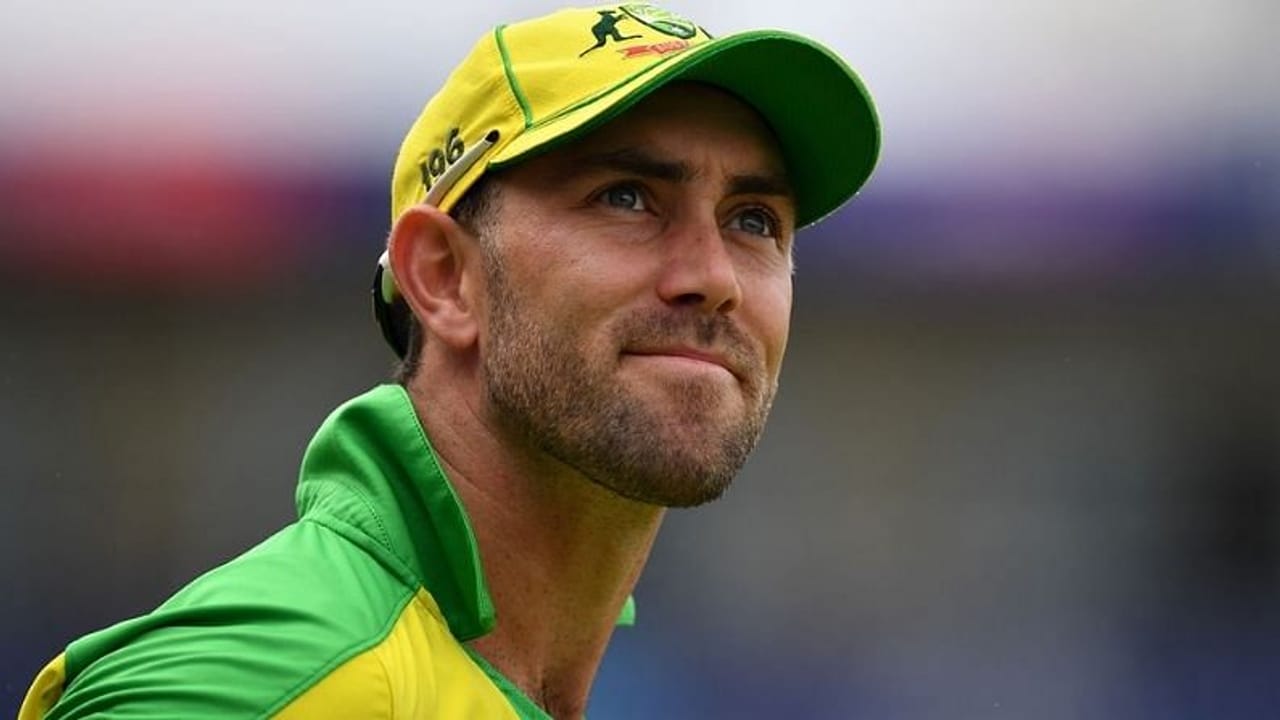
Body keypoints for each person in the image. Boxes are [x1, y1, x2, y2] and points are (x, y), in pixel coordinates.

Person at [19, 3, 879, 718]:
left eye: (754, 220)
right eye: (626, 198)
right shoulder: (262, 684)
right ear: (443, 276)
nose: (714, 278)